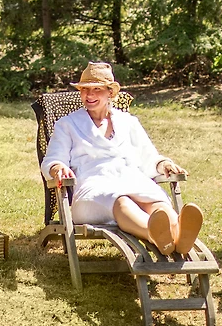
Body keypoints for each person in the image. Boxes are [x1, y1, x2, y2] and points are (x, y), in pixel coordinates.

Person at [41, 62, 203, 255]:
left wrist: (164, 164)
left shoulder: (128, 122)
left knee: (157, 203)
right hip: (94, 188)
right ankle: (155, 235)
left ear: (110, 92)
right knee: (121, 201)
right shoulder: (67, 125)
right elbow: (52, 160)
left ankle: (179, 236)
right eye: (85, 89)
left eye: (96, 89)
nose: (89, 95)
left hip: (131, 179)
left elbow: (148, 157)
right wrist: (58, 168)